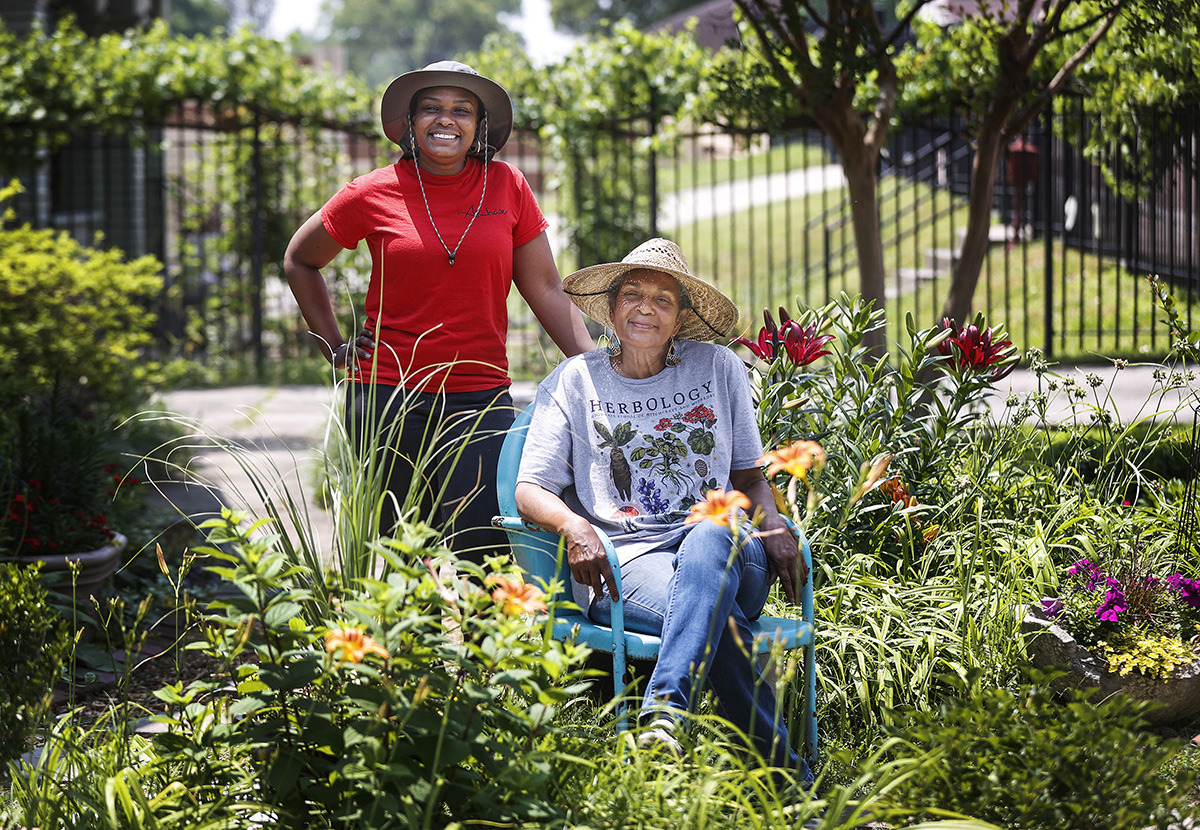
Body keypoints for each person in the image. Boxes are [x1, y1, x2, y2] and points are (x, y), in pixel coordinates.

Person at [513, 237, 812, 776]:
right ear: (611, 306)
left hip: (730, 550)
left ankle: (666, 712)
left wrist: (773, 529)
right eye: (633, 294)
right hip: (628, 561)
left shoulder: (720, 368)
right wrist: (572, 524)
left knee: (710, 529)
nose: (646, 308)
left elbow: (748, 476)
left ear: (681, 318)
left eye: (663, 299)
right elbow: (530, 487)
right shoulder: (574, 382)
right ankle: (788, 777)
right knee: (716, 623)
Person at [283, 61, 592, 566]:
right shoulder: (371, 191)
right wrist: (335, 349)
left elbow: (546, 288)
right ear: (410, 122)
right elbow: (300, 259)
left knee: (483, 550)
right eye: (431, 108)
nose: (445, 120)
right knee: (398, 555)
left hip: (480, 394)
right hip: (386, 397)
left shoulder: (507, 186)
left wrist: (594, 368)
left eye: (461, 111)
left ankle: (479, 648)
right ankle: (406, 648)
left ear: (479, 126)